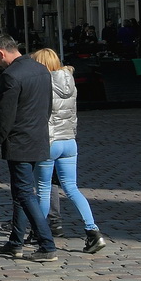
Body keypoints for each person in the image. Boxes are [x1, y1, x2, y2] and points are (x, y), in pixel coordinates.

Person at [0, 34, 57, 263]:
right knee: (20, 193)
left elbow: (4, 115)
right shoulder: (41, 70)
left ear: (2, 53)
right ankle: (16, 242)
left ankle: (46, 244)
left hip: (19, 142)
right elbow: (47, 107)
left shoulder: (11, 75)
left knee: (25, 194)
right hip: (38, 138)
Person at [31, 48, 107, 254]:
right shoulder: (69, 81)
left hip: (49, 141)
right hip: (69, 141)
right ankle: (93, 231)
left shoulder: (43, 83)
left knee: (44, 190)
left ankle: (40, 233)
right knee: (72, 189)